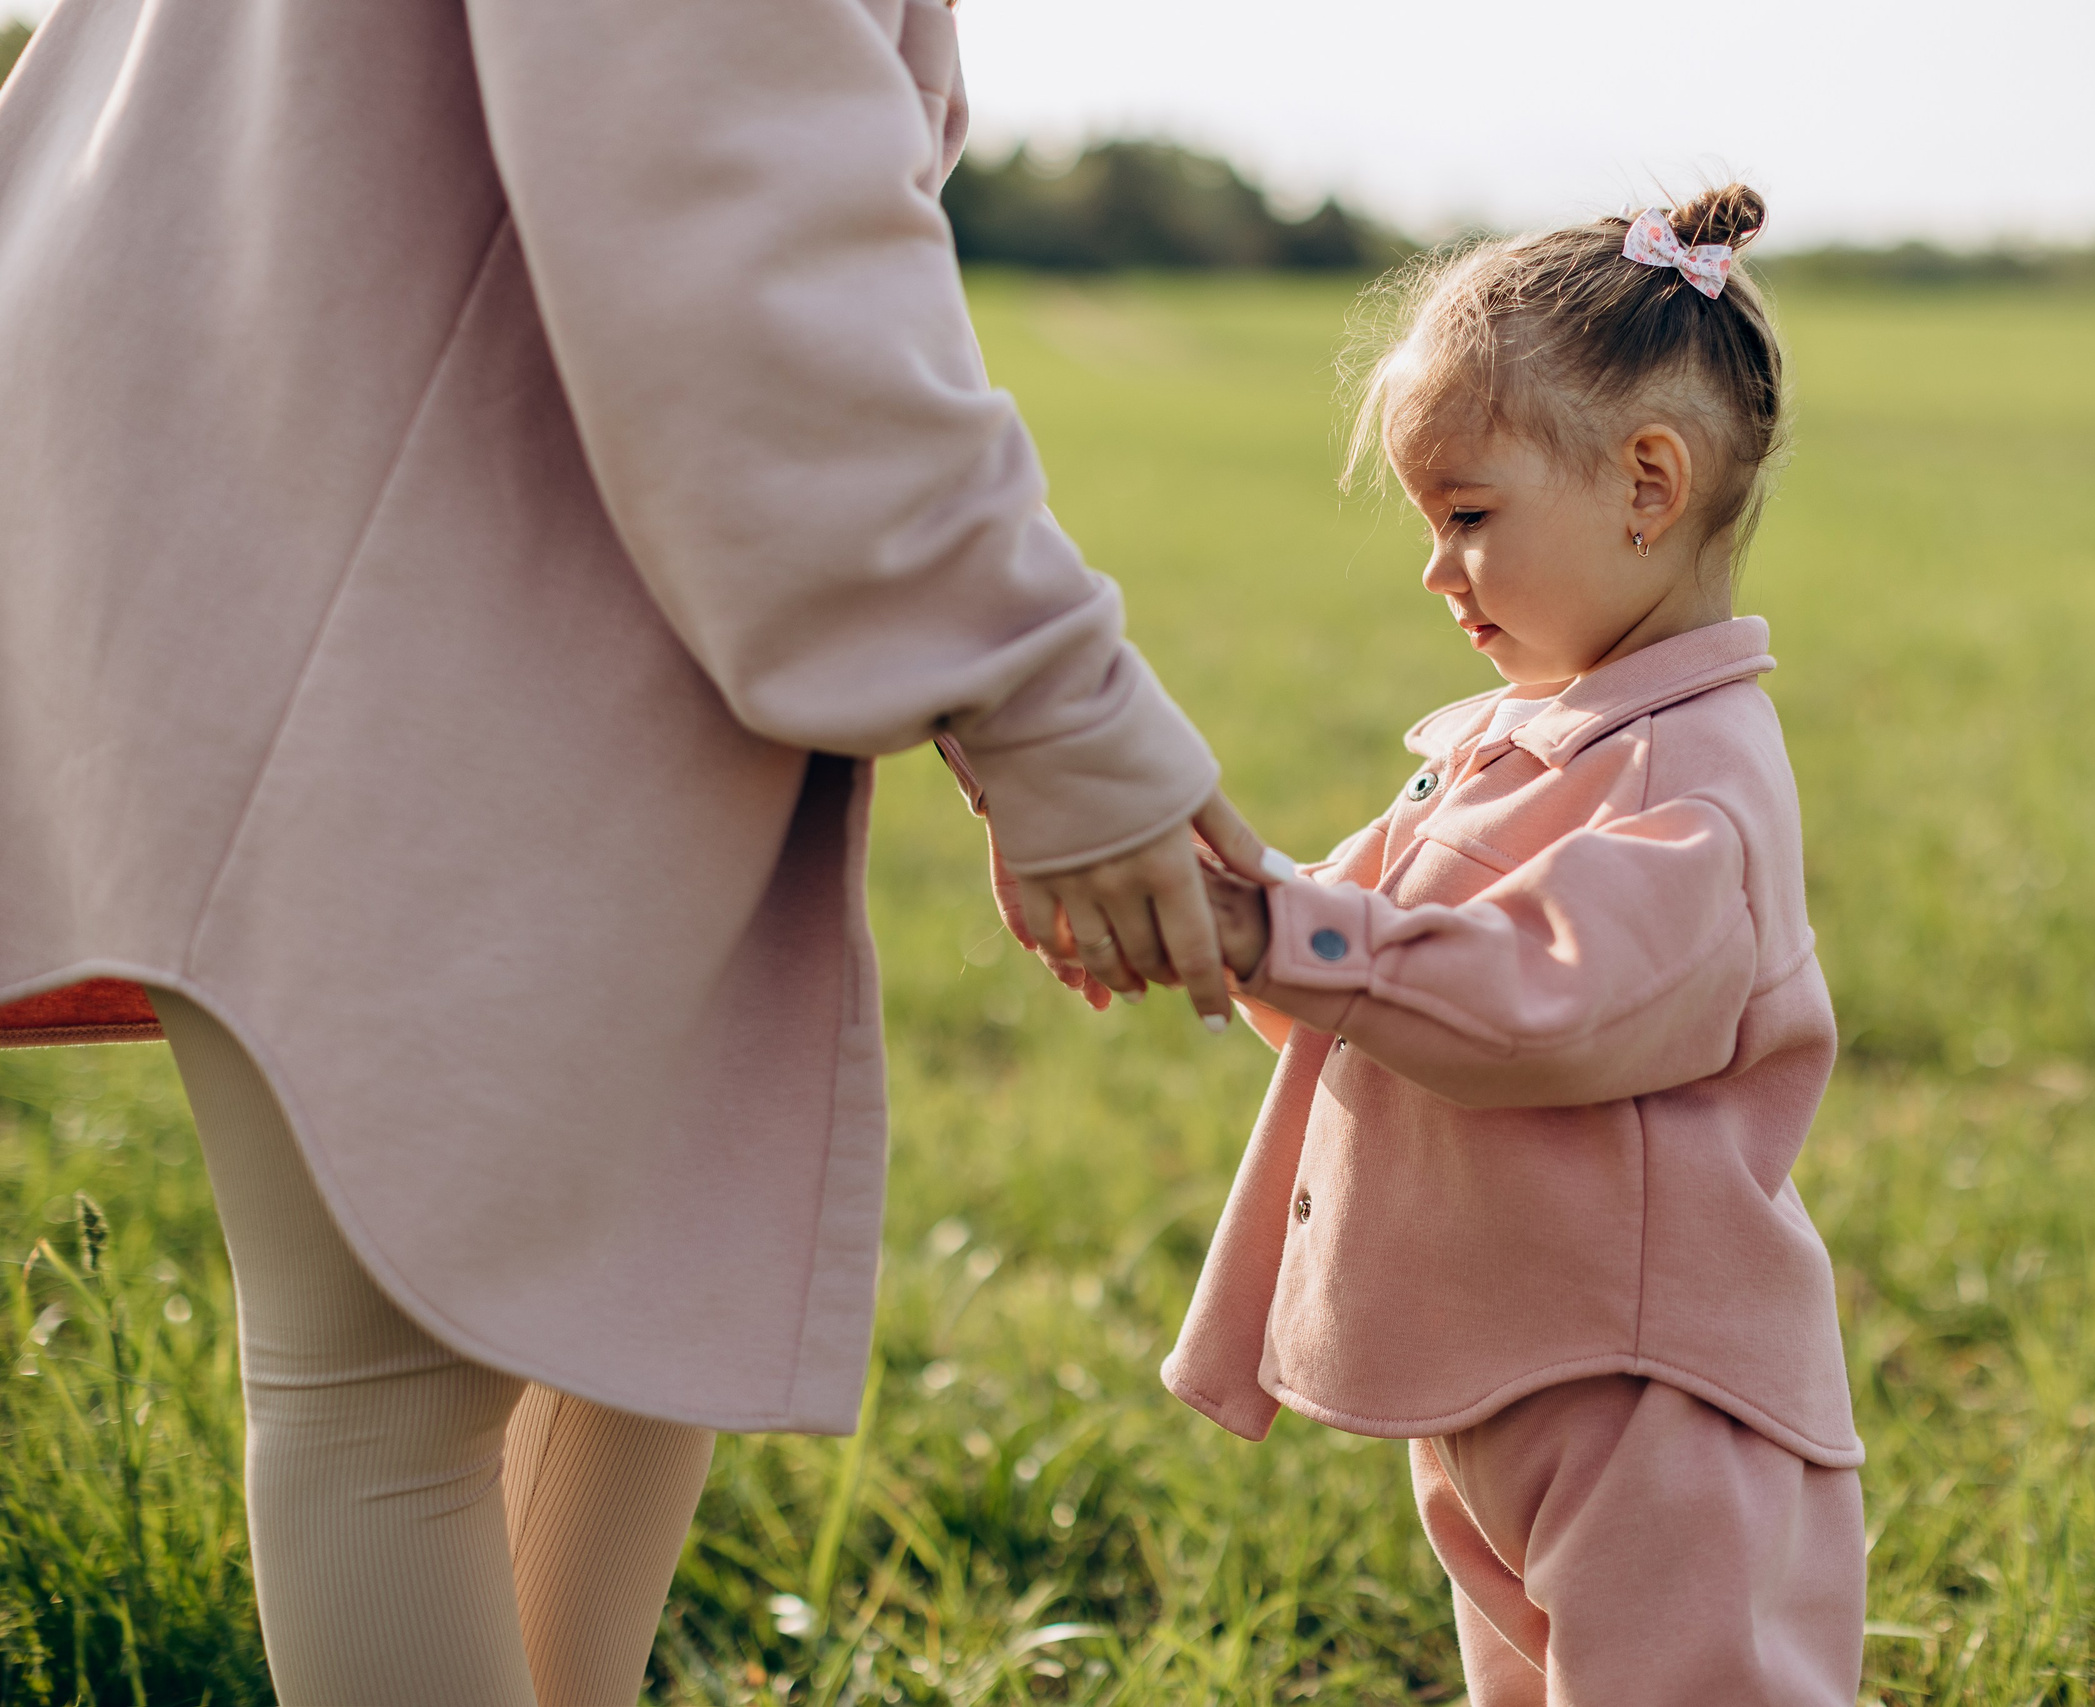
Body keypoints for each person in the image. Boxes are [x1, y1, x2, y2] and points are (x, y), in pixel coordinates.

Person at [0, 0, 1275, 1699]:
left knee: (651, 1258)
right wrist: (1041, 702)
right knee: (388, 1375)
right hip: (355, 472)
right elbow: (737, 213)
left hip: (382, 439)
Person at [1152, 188, 1868, 1704]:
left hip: (1649, 1398)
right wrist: (1206, 907)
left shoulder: (1694, 784)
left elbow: (1542, 1003)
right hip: (1504, 1366)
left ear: (1646, 487)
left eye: (1468, 518)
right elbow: (1344, 975)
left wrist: (1284, 931)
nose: (1437, 572)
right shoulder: (1511, 746)